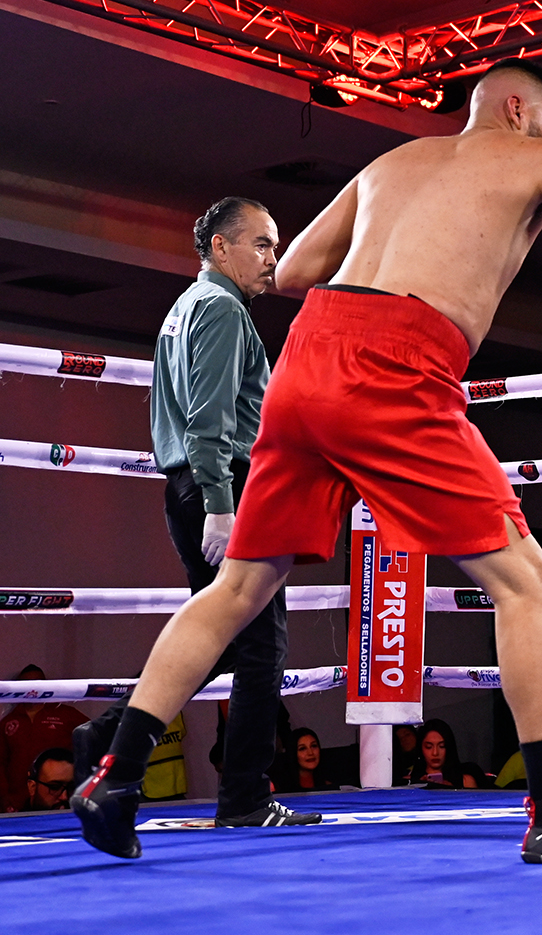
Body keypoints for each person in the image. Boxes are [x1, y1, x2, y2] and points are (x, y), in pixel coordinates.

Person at [69, 57, 542, 863]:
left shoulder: (390, 162)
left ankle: (116, 778)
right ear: (516, 108)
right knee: (525, 583)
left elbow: (295, 271)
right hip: (396, 364)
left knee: (241, 585)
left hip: (306, 359)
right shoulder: (537, 157)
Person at [72, 198, 319, 830]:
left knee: (222, 638)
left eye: (275, 244)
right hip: (225, 486)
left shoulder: (182, 310)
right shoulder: (221, 310)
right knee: (263, 649)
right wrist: (220, 504)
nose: (274, 259)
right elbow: (206, 422)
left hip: (191, 485)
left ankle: (105, 737)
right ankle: (245, 797)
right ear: (219, 248)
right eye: (261, 244)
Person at [0, 665, 87, 813]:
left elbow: (94, 740)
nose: (32, 690)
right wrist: (4, 796)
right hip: (17, 800)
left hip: (58, 796)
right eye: (26, 684)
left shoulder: (66, 714)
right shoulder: (8, 722)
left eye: (37, 683)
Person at [406, 720, 464, 788]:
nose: (435, 753)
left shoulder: (465, 781)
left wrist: (452, 791)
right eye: (429, 747)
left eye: (442, 746)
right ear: (420, 748)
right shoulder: (408, 783)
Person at [279, 728, 338, 793]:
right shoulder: (277, 788)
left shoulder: (329, 787)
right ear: (293, 753)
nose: (310, 753)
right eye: (302, 748)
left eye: (313, 746)